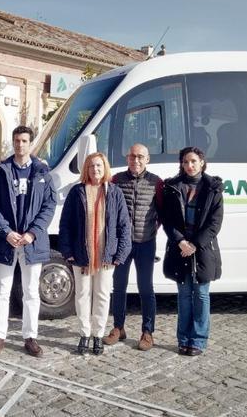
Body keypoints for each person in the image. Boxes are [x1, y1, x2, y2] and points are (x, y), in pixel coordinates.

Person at [0, 125, 57, 357]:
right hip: (6, 241)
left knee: (31, 292)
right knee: (2, 291)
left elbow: (49, 205)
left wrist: (33, 233)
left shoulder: (42, 172)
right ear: (13, 142)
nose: (20, 144)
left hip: (31, 242)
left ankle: (30, 337)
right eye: (16, 140)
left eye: (24, 140)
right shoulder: (2, 171)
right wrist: (5, 231)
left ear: (30, 143)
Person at [59, 152, 131, 355]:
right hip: (81, 255)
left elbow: (124, 225)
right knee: (82, 295)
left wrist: (120, 254)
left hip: (106, 256)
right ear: (86, 169)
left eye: (99, 166)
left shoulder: (115, 192)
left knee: (101, 295)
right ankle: (84, 334)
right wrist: (68, 252)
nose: (95, 169)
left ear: (105, 168)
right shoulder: (77, 192)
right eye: (91, 166)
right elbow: (66, 224)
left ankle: (98, 335)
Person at [161, 146, 223, 356]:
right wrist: (181, 242)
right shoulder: (172, 187)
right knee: (184, 295)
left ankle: (198, 340)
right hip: (180, 248)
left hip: (203, 249)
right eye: (186, 162)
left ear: (202, 163)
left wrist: (194, 244)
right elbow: (167, 220)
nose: (189, 165)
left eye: (193, 161)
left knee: (201, 295)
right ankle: (184, 339)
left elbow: (215, 223)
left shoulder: (213, 188)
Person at [104, 144, 163, 350]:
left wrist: (151, 231)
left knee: (146, 288)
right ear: (127, 158)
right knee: (118, 287)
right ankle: (118, 328)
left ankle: (148, 332)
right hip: (122, 245)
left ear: (147, 159)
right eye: (132, 156)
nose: (135, 160)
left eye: (140, 157)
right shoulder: (116, 180)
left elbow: (161, 213)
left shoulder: (156, 183)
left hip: (146, 243)